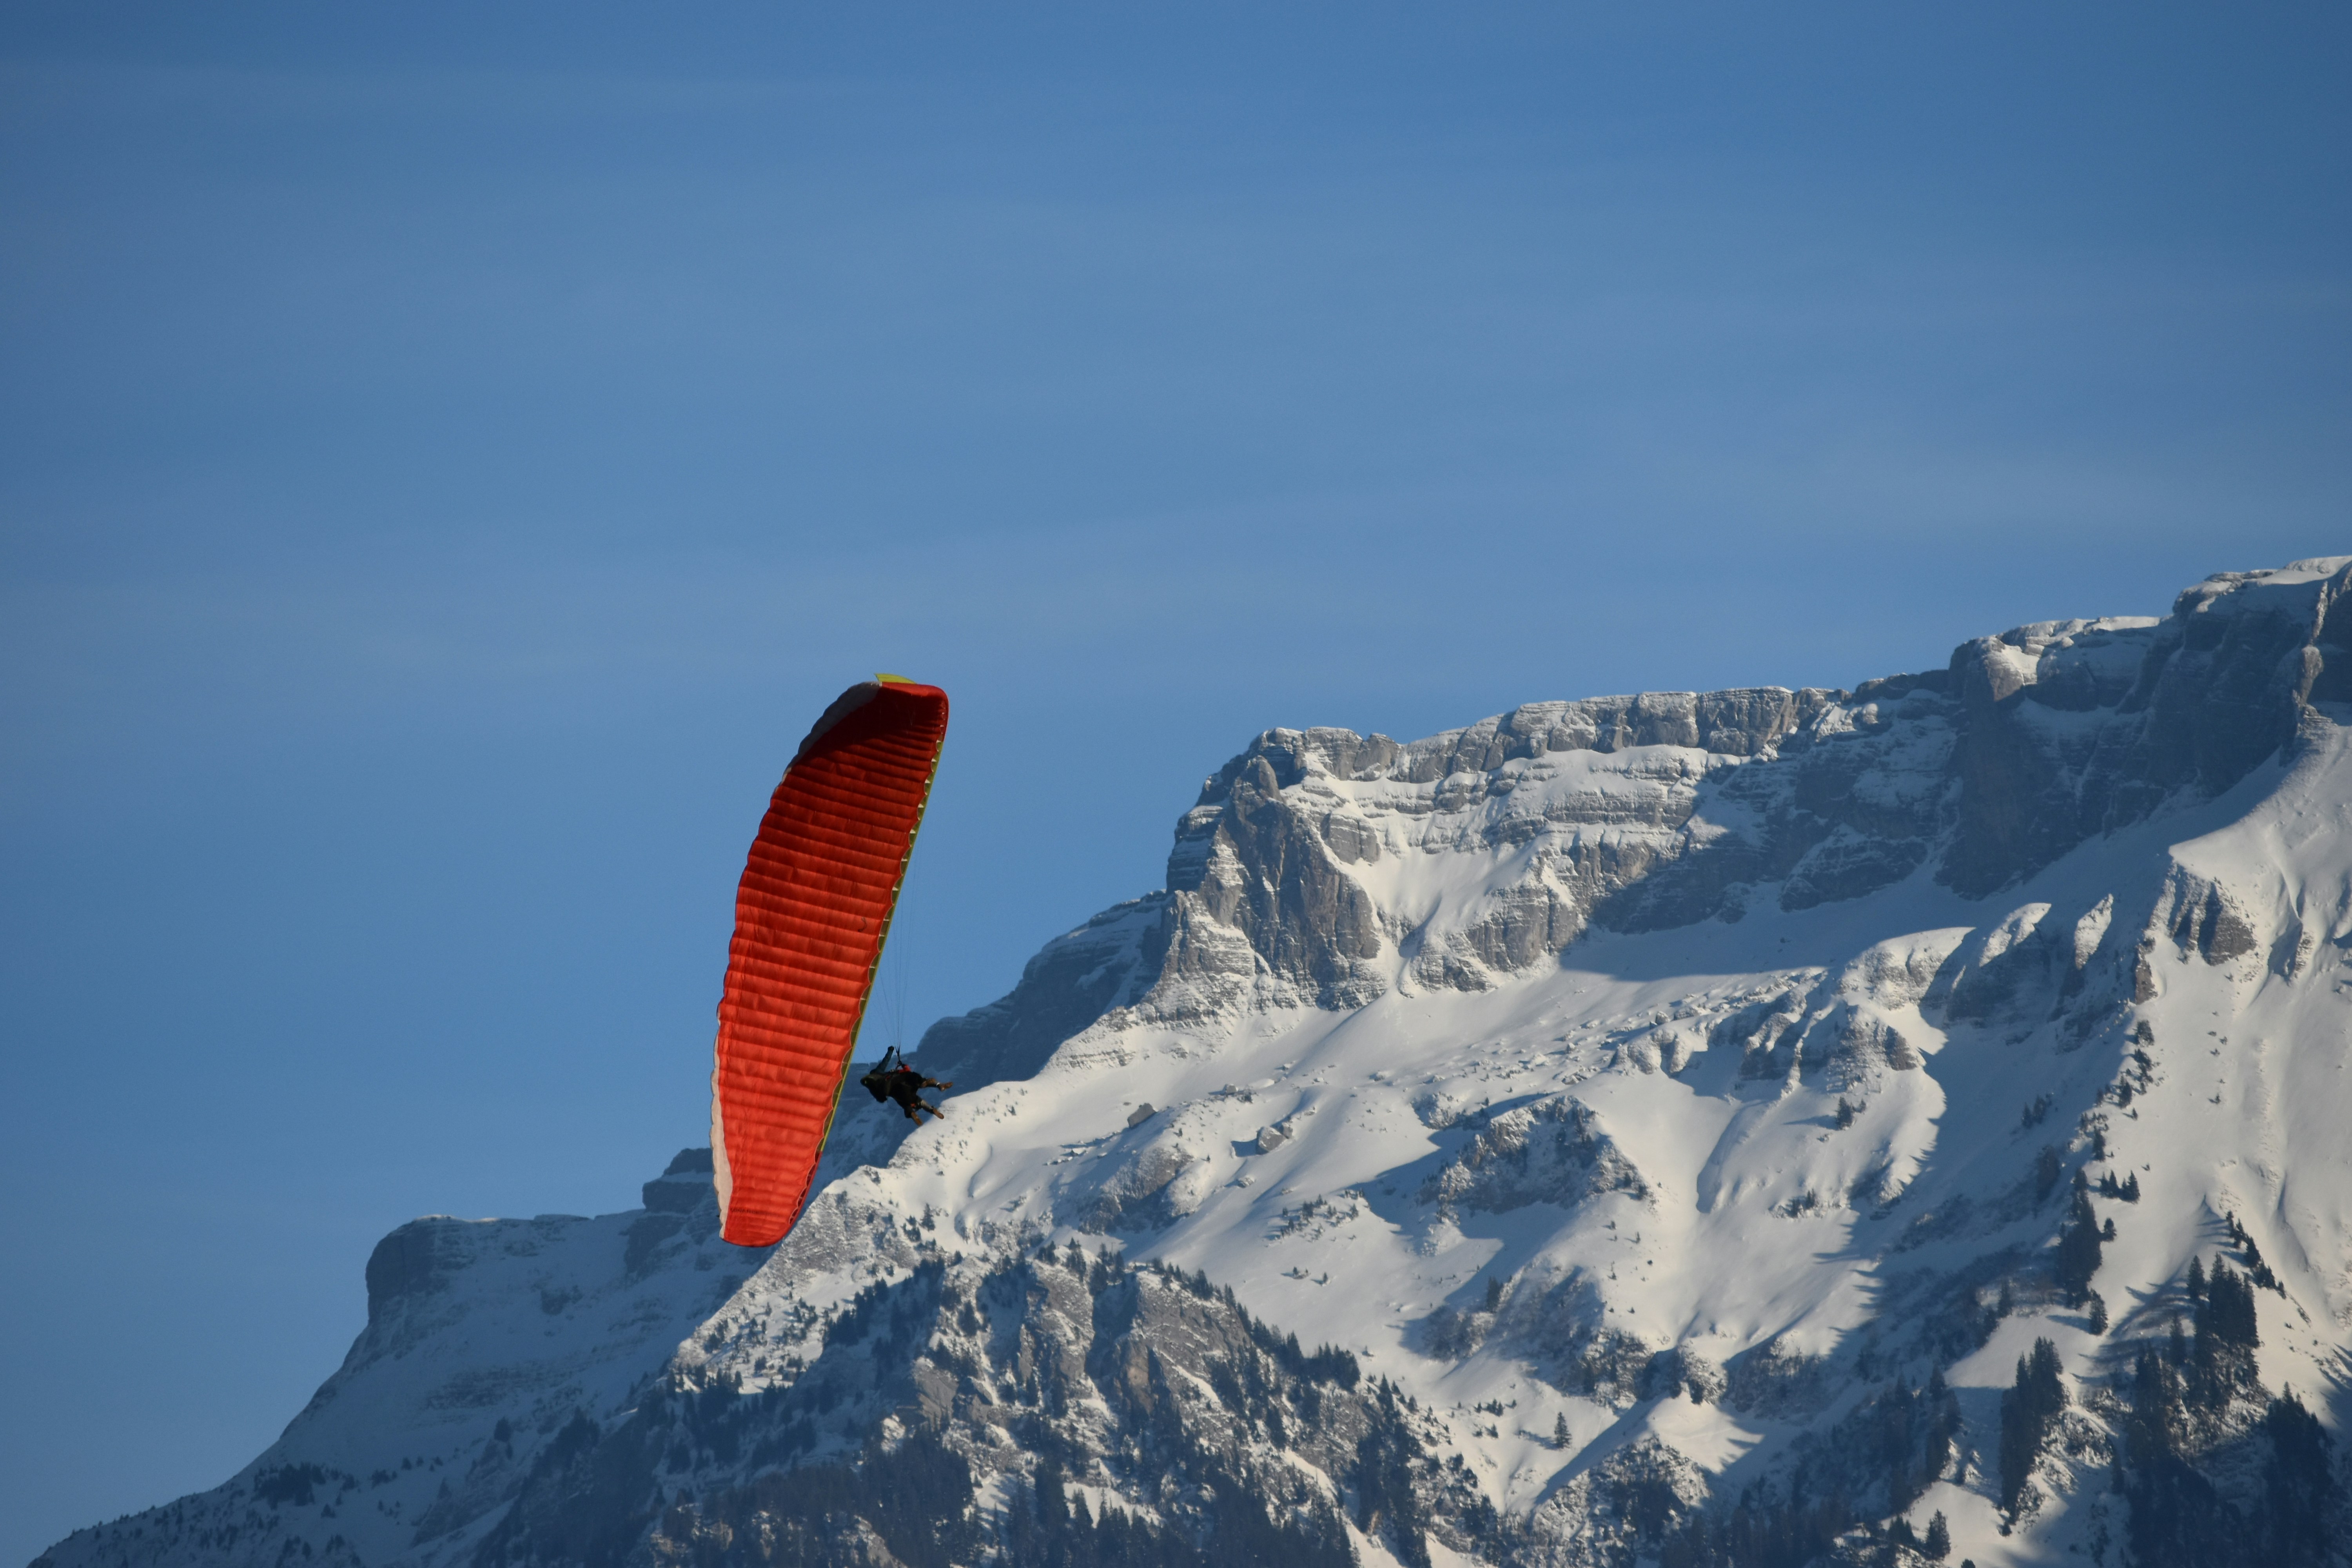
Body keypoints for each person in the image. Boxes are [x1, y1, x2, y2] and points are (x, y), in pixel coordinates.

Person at [859, 1046, 953, 1124]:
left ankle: (913, 1112)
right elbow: (886, 1061)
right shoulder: (878, 1072)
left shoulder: (872, 1088)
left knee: (906, 1103)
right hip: (894, 1082)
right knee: (910, 1076)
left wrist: (885, 1096)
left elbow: (881, 1099)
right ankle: (932, 1084)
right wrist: (890, 1050)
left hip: (893, 1092)